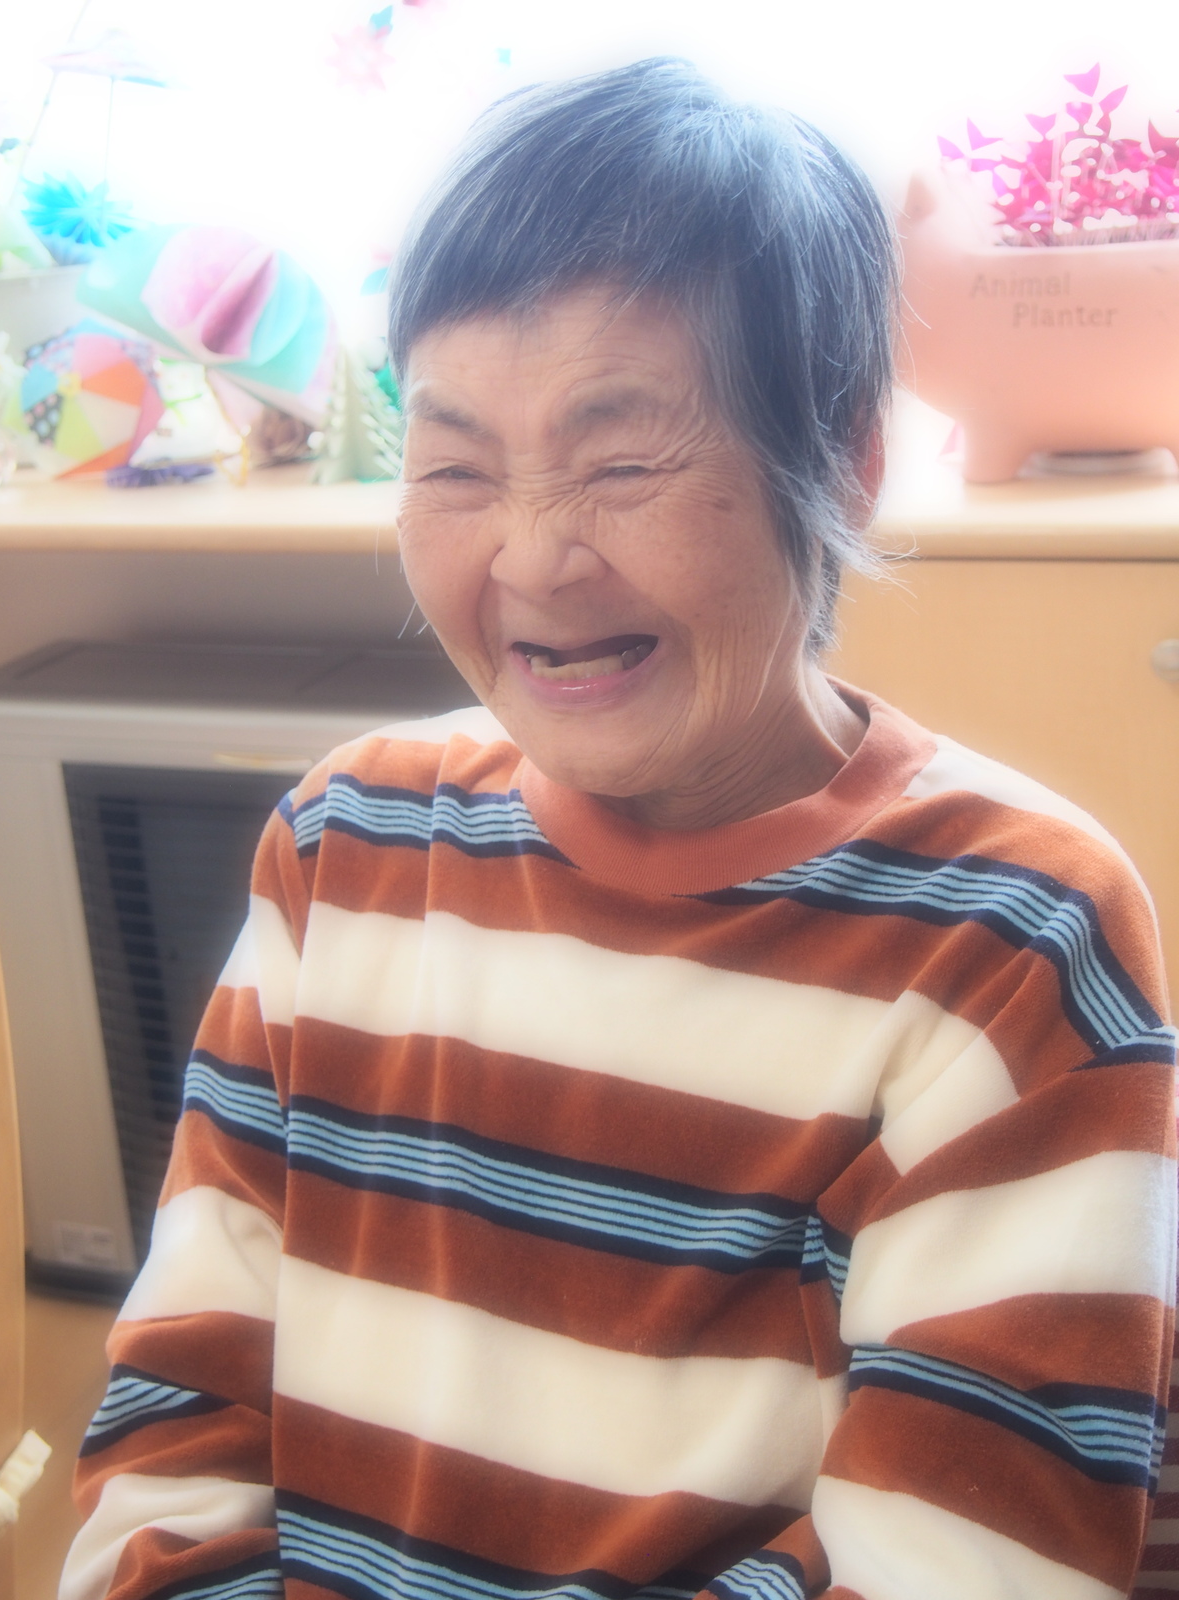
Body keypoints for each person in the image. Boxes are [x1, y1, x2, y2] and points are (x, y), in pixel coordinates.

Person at [61, 58, 1176, 1600]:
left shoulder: (1009, 933)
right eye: (456, 466)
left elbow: (961, 1561)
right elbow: (184, 1402)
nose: (534, 557)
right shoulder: (341, 845)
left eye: (623, 461)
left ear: (843, 462)